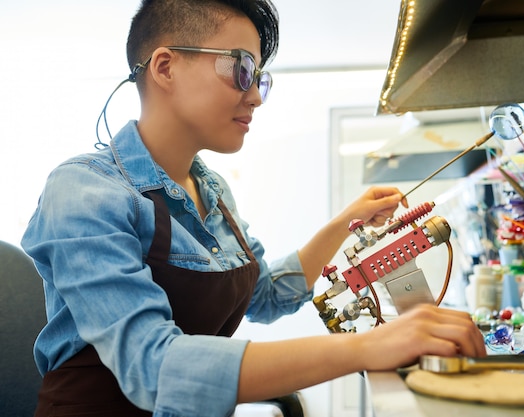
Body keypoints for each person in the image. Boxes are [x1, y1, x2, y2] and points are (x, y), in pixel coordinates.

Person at [21, 1, 486, 416]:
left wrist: (347, 223)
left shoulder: (214, 190)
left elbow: (264, 294)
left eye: (260, 77)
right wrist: (367, 348)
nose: (256, 96)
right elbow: (155, 367)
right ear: (165, 67)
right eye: (241, 68)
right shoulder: (85, 190)